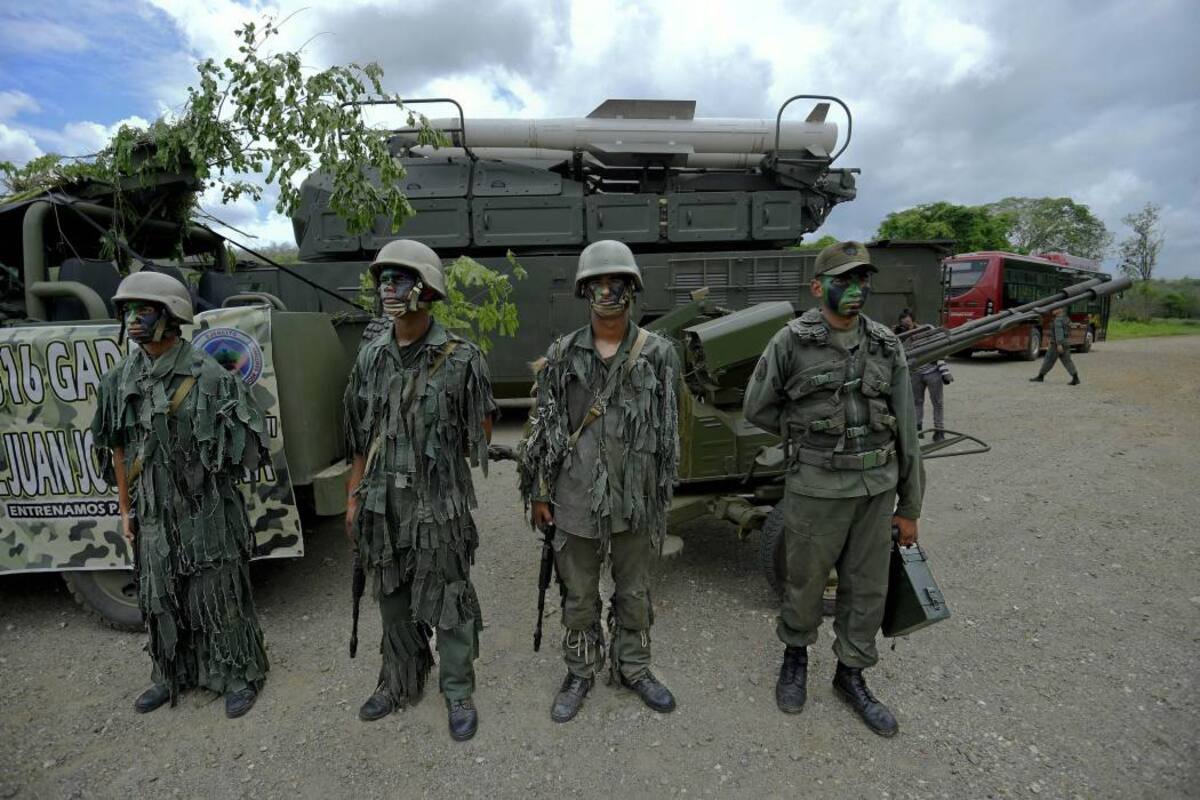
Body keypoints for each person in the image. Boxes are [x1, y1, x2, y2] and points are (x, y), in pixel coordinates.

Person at [743, 240, 923, 737]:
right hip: (815, 487)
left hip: (874, 491)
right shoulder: (790, 342)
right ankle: (795, 659)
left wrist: (910, 506)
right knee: (804, 581)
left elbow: (907, 428)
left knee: (867, 588)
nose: (857, 289)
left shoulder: (887, 344)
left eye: (863, 279)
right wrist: (803, 431)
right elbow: (756, 406)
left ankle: (851, 675)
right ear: (818, 287)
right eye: (845, 279)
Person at [92, 271, 270, 719]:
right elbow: (117, 445)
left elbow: (241, 450)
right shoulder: (118, 379)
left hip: (204, 509)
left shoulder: (208, 375)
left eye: (143, 310)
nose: (132, 320)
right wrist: (126, 511)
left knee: (216, 594)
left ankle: (238, 674)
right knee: (159, 596)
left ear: (171, 317)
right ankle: (171, 673)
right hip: (152, 510)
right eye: (127, 311)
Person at [518, 239, 681, 723]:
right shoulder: (562, 355)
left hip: (635, 500)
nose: (607, 292)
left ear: (632, 289)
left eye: (617, 283)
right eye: (597, 284)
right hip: (574, 497)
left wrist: (660, 495)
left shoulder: (659, 354)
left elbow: (670, 432)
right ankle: (580, 670)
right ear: (583, 291)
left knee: (633, 590)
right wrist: (541, 493)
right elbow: (543, 431)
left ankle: (634, 667)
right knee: (579, 593)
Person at [343, 239, 497, 742]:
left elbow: (482, 432)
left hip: (439, 506)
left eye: (400, 279)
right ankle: (399, 682)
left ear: (426, 291)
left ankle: (457, 690)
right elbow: (359, 437)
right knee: (391, 598)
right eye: (382, 279)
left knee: (450, 599)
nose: (388, 288)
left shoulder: (463, 359)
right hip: (381, 504)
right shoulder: (369, 358)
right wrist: (352, 497)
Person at [895, 309, 952, 442]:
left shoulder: (926, 330)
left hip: (932, 371)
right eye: (904, 323)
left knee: (937, 402)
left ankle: (939, 431)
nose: (907, 326)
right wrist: (899, 334)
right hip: (915, 373)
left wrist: (944, 370)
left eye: (908, 323)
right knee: (916, 402)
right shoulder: (899, 335)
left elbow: (939, 349)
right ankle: (917, 428)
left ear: (914, 321)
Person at [1030, 307, 1079, 385]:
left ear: (1060, 310)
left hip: (1056, 344)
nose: (1053, 310)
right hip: (1066, 342)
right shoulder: (1066, 318)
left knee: (1048, 360)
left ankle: (1040, 376)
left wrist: (1059, 344)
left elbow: (1059, 333)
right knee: (1067, 361)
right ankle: (1075, 377)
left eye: (1055, 309)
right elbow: (1070, 328)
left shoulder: (1058, 320)